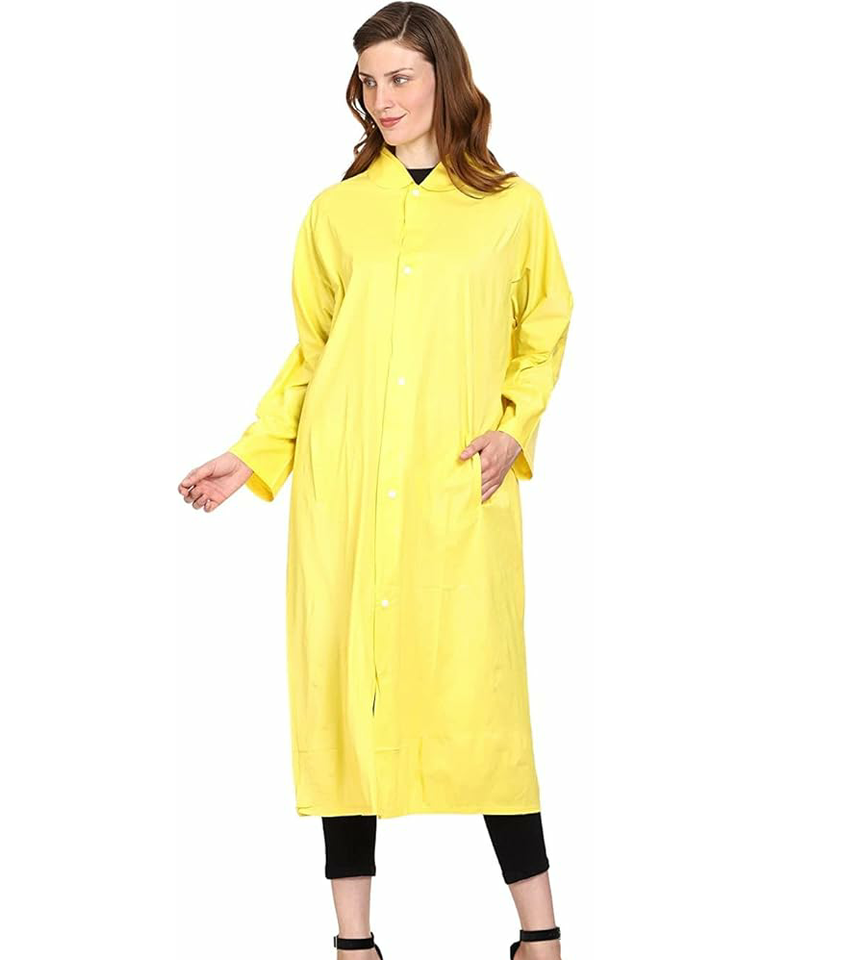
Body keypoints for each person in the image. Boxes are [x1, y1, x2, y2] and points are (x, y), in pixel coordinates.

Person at [178, 4, 574, 958]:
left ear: (444, 76)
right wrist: (255, 452)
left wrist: (513, 429)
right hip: (345, 486)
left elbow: (543, 331)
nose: (383, 97)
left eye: (401, 76)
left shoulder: (512, 207)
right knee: (345, 692)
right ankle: (354, 941)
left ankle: (541, 934)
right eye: (369, 80)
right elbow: (314, 356)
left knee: (483, 704)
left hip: (456, 489)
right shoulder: (337, 211)